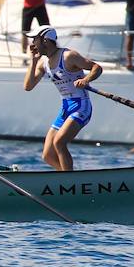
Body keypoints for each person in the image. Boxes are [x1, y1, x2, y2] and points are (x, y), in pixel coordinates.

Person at [24, 25, 103, 171]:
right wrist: (34, 61)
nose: (33, 43)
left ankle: (68, 181)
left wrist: (86, 80)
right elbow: (28, 87)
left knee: (59, 142)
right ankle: (66, 178)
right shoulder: (43, 62)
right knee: (47, 155)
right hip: (65, 107)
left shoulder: (68, 56)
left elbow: (96, 68)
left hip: (81, 106)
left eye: (35, 39)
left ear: (46, 41)